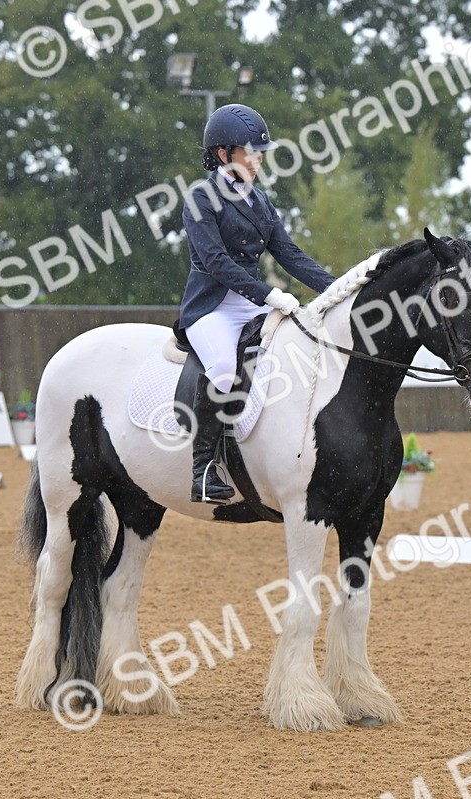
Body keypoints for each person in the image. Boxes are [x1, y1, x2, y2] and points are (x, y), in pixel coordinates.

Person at [179, 104, 335, 504]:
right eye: (251, 152)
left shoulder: (260, 201)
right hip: (212, 306)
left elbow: (289, 254)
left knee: (295, 348)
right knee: (225, 367)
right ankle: (203, 470)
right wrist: (268, 294)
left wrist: (339, 288)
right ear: (223, 154)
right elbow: (215, 262)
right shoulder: (201, 198)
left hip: (252, 303)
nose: (259, 159)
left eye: (261, 152)